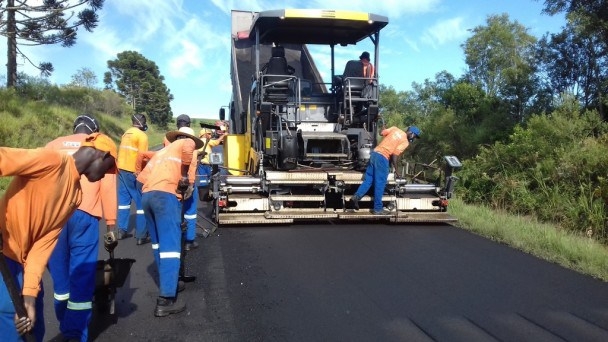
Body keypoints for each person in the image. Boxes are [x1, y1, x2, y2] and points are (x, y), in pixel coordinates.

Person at [0, 133, 117, 341]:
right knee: (12, 322)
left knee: (32, 322)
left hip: (25, 262)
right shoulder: (51, 161)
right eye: (109, 168)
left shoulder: (75, 196)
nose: (106, 175)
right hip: (5, 254)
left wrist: (29, 295)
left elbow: (43, 244)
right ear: (103, 154)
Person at [44, 115, 117, 342]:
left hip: (52, 216)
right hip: (84, 214)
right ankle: (74, 333)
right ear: (94, 131)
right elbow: (107, 187)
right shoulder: (99, 146)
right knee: (82, 275)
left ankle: (64, 321)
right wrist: (111, 225)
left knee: (60, 279)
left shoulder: (53, 145)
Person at [137, 126, 203, 317]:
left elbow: (141, 177)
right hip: (165, 198)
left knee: (158, 245)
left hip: (147, 196)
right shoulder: (185, 142)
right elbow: (189, 146)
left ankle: (170, 282)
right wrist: (184, 177)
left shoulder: (161, 152)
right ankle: (166, 299)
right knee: (171, 247)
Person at [349, 126, 421, 215]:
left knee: (368, 180)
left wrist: (382, 129)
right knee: (380, 183)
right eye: (414, 136)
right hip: (383, 158)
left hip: (374, 155)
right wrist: (397, 171)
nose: (413, 139)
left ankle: (356, 197)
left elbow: (381, 133)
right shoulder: (405, 141)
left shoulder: (395, 129)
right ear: (411, 133)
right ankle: (378, 209)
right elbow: (394, 155)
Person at [116, 114, 149, 244]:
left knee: (124, 201)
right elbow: (143, 157)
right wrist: (142, 173)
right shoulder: (142, 136)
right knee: (141, 201)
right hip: (133, 171)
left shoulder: (126, 133)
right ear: (142, 123)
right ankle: (141, 235)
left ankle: (121, 231)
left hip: (121, 169)